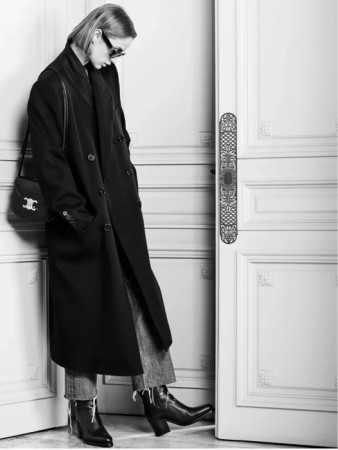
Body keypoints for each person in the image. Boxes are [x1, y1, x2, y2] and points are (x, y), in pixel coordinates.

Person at [27, 4, 214, 447]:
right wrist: (79, 218)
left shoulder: (105, 75)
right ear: (95, 34)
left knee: (140, 298)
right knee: (84, 314)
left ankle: (156, 395)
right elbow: (50, 165)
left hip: (119, 211)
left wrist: (129, 196)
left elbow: (118, 140)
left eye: (121, 54)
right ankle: (83, 410)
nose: (115, 59)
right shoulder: (50, 85)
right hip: (82, 219)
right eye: (115, 50)